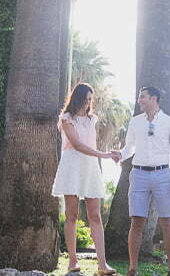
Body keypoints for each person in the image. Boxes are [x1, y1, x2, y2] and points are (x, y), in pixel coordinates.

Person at [113, 86, 170, 276]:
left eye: (142, 97)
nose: (139, 100)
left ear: (154, 98)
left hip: (163, 175)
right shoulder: (135, 122)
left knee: (167, 221)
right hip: (139, 174)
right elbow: (130, 147)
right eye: (139, 97)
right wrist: (120, 154)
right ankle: (133, 269)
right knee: (136, 222)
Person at [52, 83, 118, 276]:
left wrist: (100, 156)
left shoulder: (92, 120)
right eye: (86, 98)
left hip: (90, 167)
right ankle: (72, 261)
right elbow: (77, 145)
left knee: (95, 216)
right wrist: (104, 155)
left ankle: (102, 264)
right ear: (78, 98)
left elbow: (88, 144)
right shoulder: (66, 119)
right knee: (72, 215)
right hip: (72, 165)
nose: (89, 102)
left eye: (91, 99)